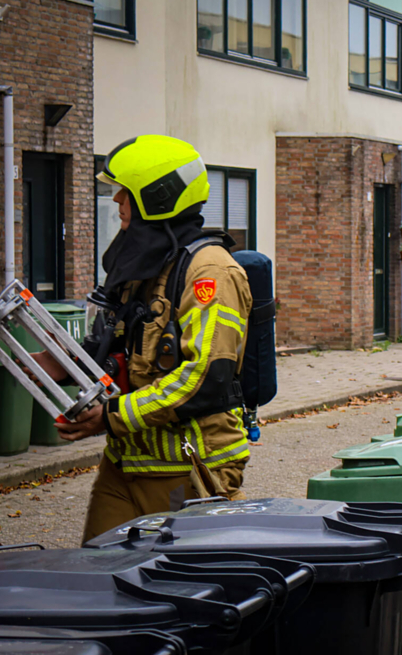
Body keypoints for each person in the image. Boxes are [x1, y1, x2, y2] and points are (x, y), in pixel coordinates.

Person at [30, 135, 253, 543]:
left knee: (178, 592)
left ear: (157, 196)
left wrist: (111, 416)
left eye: (125, 192)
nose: (116, 201)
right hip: (124, 466)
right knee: (98, 579)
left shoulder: (211, 273)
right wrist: (51, 363)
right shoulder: (146, 265)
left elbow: (204, 379)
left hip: (190, 470)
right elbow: (113, 343)